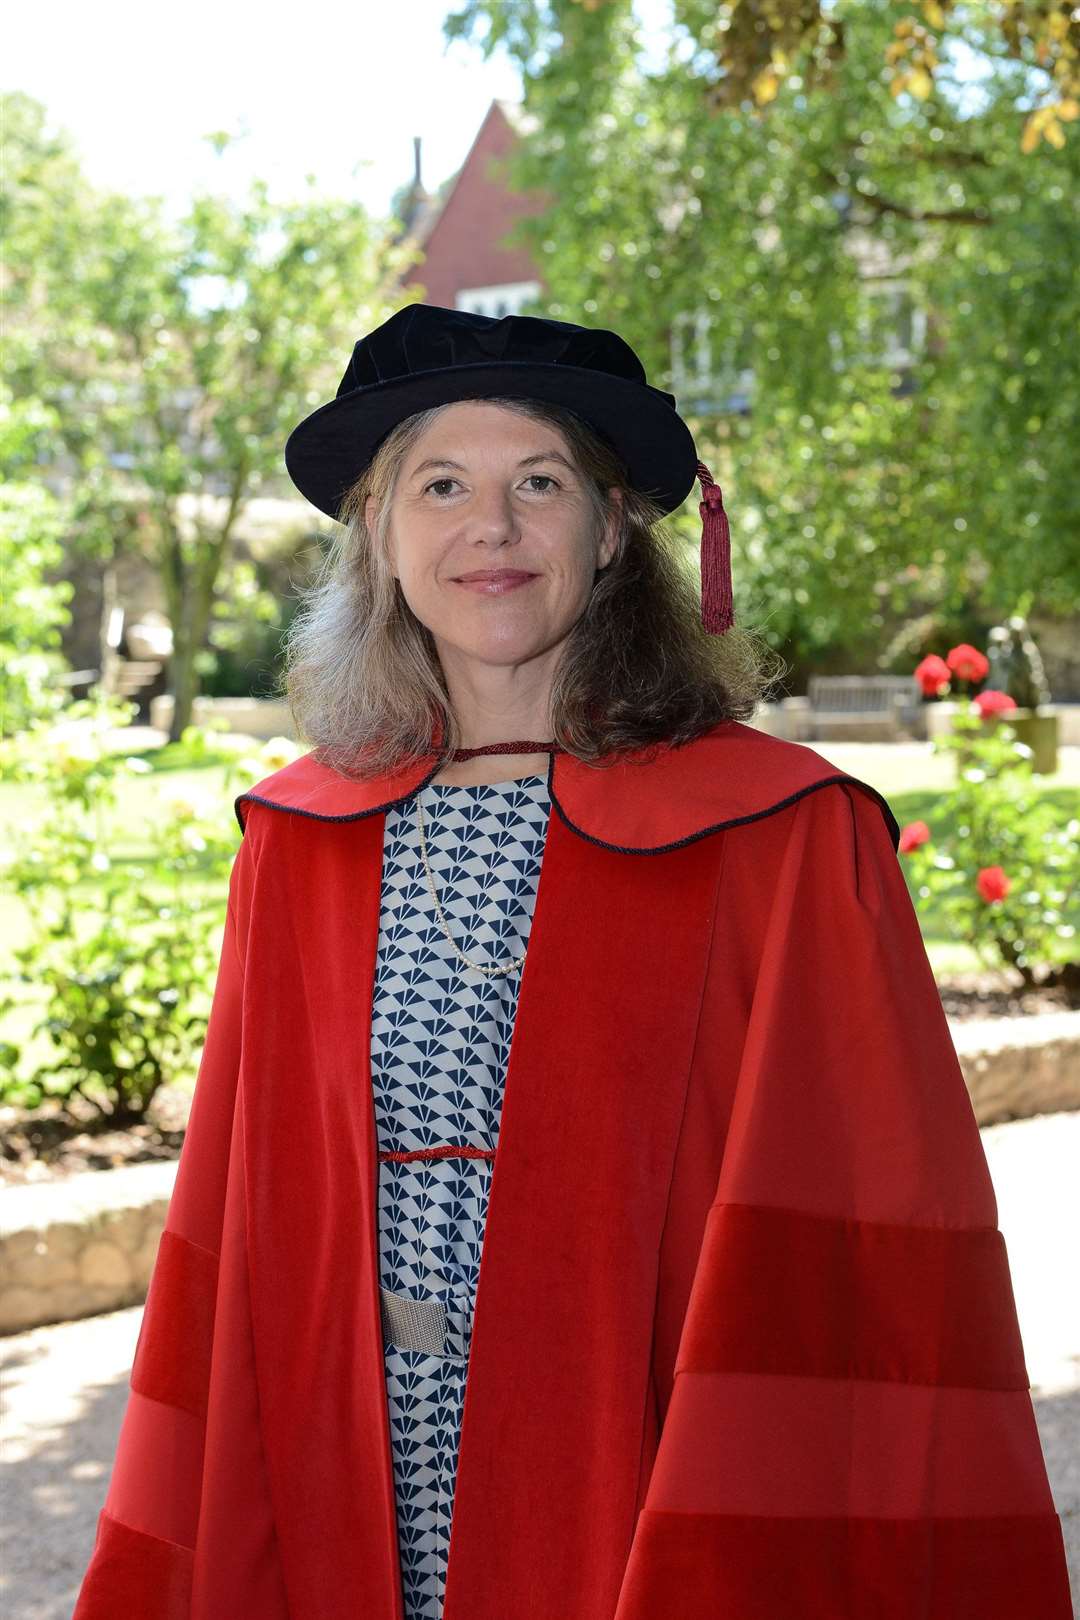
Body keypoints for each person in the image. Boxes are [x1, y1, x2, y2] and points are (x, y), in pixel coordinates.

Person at [72, 303, 1071, 1620]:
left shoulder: (783, 843)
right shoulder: (300, 845)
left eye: (538, 484)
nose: (490, 527)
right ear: (379, 532)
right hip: (345, 1470)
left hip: (645, 1471)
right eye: (439, 486)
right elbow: (240, 1221)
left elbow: (868, 1270)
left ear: (611, 533)